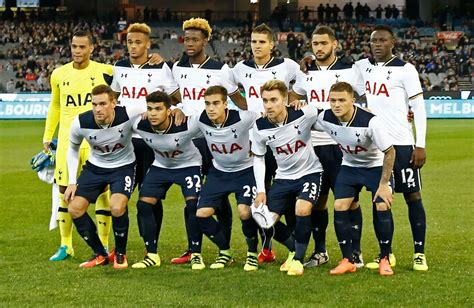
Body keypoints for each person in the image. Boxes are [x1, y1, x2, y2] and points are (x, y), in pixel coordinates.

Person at [170, 17, 247, 265]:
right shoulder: (177, 68)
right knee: (191, 197)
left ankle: (224, 249)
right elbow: (174, 98)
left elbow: (238, 99)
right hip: (187, 142)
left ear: (205, 40)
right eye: (187, 39)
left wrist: (253, 121)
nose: (190, 43)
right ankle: (194, 249)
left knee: (221, 197)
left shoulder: (220, 70)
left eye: (195, 39)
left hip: (215, 140)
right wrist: (177, 107)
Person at [289, 26, 365, 268]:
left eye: (323, 43)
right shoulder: (305, 71)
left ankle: (355, 251)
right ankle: (320, 252)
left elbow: (365, 99)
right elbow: (293, 97)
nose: (319, 48)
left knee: (349, 200)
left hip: (341, 146)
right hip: (314, 146)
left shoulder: (350, 71)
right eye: (315, 44)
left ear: (335, 44)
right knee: (318, 200)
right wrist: (297, 100)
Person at [354, 25, 428, 271]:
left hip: (403, 144)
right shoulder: (363, 67)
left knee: (413, 196)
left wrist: (420, 144)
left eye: (382, 40)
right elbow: (340, 70)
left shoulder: (406, 70)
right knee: (380, 198)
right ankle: (386, 254)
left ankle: (419, 253)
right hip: (376, 146)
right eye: (374, 40)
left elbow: (418, 108)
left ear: (392, 42)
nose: (377, 44)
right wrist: (309, 61)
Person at [230, 23, 300, 263]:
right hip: (255, 142)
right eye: (253, 41)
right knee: (259, 198)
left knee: (287, 197)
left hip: (283, 141)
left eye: (261, 42)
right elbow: (232, 92)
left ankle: (296, 248)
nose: (256, 46)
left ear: (272, 44)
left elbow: (303, 87)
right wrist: (249, 111)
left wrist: (293, 103)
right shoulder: (240, 68)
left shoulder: (288, 66)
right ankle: (267, 248)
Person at [42, 30, 112, 262]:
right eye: (74, 46)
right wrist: (47, 135)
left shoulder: (106, 71)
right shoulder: (59, 74)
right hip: (66, 142)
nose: (77, 51)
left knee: (103, 192)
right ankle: (66, 245)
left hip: (96, 141)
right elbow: (55, 106)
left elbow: (132, 74)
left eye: (82, 47)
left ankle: (103, 242)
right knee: (64, 192)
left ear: (92, 48)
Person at [314, 81, 396, 276]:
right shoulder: (325, 117)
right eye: (333, 100)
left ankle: (385, 258)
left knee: (382, 204)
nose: (337, 105)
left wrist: (384, 184)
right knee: (340, 205)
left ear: (353, 100)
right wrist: (297, 105)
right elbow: (301, 119)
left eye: (342, 100)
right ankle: (347, 260)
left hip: (375, 167)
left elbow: (390, 152)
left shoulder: (370, 121)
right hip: (350, 167)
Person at [110, 23, 180, 251]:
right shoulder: (119, 67)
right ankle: (120, 245)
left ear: (148, 44)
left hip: (150, 142)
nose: (133, 46)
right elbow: (114, 98)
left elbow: (176, 97)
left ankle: (152, 245)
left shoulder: (161, 68)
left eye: (138, 42)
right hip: (123, 141)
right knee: (120, 194)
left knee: (149, 195)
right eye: (130, 42)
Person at [64, 85, 143, 269]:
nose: (97, 109)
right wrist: (71, 182)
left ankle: (120, 254)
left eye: (102, 104)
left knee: (116, 207)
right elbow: (73, 150)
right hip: (95, 168)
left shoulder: (129, 112)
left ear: (114, 103)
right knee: (74, 209)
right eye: (94, 104)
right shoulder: (80, 122)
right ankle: (100, 254)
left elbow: (154, 109)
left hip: (123, 167)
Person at [252, 80, 323, 276]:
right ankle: (294, 248)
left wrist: (303, 102)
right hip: (283, 178)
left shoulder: (303, 113)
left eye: (274, 100)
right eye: (265, 100)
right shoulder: (259, 126)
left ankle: (298, 260)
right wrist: (261, 190)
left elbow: (321, 111)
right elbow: (258, 158)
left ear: (285, 99)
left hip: (310, 172)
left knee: (302, 208)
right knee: (263, 219)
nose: (268, 105)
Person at [131, 91, 203, 269]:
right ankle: (152, 254)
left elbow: (212, 123)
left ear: (168, 111)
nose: (153, 113)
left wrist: (179, 109)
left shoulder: (187, 124)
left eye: (158, 109)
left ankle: (195, 253)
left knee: (193, 205)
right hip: (161, 166)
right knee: (144, 204)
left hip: (188, 165)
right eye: (150, 109)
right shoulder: (139, 124)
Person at [192, 86, 260, 271]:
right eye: (207, 104)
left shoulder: (242, 118)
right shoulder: (201, 119)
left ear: (225, 104)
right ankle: (225, 252)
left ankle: (252, 254)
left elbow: (264, 120)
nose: (211, 108)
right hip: (219, 172)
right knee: (201, 214)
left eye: (216, 103)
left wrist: (258, 145)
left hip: (245, 171)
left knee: (244, 212)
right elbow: (181, 130)